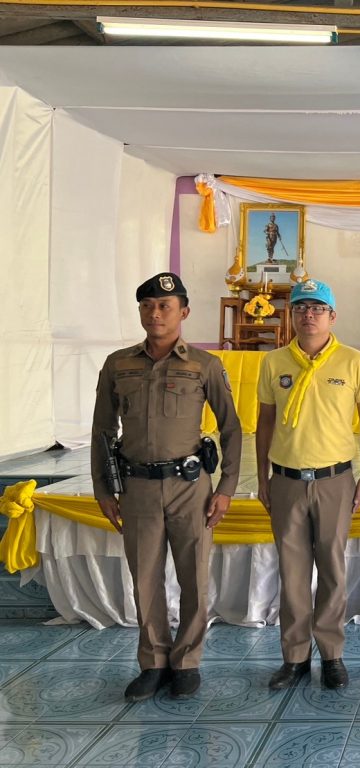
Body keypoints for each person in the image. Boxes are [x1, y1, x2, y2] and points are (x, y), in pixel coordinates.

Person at [90, 272, 242, 702]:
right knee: (144, 578)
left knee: (194, 578)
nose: (154, 313)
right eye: (147, 305)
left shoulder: (204, 365)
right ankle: (153, 662)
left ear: (184, 312)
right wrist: (103, 488)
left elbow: (231, 428)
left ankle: (187, 662)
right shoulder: (118, 364)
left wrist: (226, 487)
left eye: (164, 306)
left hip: (189, 487)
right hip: (136, 487)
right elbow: (103, 429)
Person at [255, 279, 360, 691]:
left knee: (332, 570)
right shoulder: (274, 362)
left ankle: (331, 654)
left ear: (332, 316)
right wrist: (263, 476)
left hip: (334, 481)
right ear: (291, 315)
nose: (309, 315)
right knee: (291, 574)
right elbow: (264, 422)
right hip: (286, 480)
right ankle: (294, 658)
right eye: (301, 308)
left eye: (317, 308)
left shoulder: (353, 361)